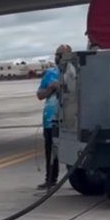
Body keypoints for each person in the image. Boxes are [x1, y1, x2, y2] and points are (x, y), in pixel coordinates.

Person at [35, 45, 71, 189]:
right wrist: (50, 88)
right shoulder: (50, 73)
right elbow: (39, 95)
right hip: (51, 120)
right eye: (57, 54)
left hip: (69, 119)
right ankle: (50, 179)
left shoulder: (75, 72)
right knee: (50, 151)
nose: (58, 58)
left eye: (61, 55)